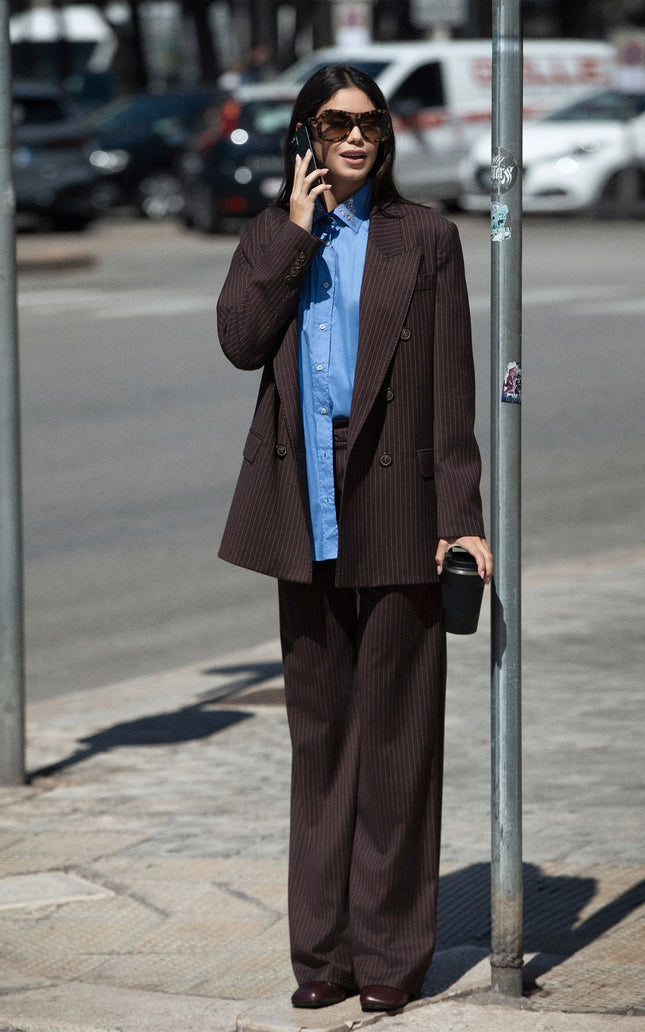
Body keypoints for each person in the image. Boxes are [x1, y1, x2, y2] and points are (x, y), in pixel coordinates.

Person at [217, 64, 493, 1013]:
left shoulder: (426, 238)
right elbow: (242, 340)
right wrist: (295, 231)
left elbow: (453, 387)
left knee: (396, 745)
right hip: (303, 508)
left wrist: (461, 516)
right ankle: (322, 960)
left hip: (400, 502)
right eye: (335, 122)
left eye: (370, 122)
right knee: (322, 744)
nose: (355, 136)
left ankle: (388, 961)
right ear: (304, 134)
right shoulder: (273, 237)